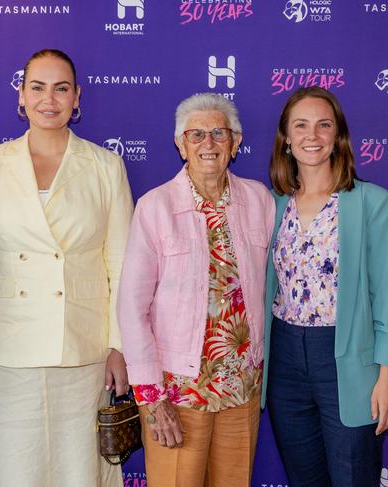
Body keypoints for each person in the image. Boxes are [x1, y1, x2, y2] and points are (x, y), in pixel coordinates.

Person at [0, 49, 133, 487]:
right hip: (10, 350)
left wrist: (119, 345)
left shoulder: (106, 166)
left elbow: (123, 266)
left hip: (84, 347)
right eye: (37, 87)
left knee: (80, 471)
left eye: (61, 88)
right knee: (18, 469)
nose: (48, 99)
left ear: (77, 98)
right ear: (21, 95)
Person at [118, 93, 275, 487]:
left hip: (242, 390)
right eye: (196, 134)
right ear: (180, 144)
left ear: (235, 143)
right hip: (178, 393)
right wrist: (152, 400)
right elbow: (132, 308)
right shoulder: (155, 207)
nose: (208, 143)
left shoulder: (260, 201)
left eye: (219, 133)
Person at [263, 86, 388, 486]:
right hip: (285, 362)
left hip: (348, 360)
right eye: (301, 125)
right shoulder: (272, 205)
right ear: (287, 140)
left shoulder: (372, 202)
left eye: (323, 125)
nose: (313, 135)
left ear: (338, 136)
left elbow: (387, 293)